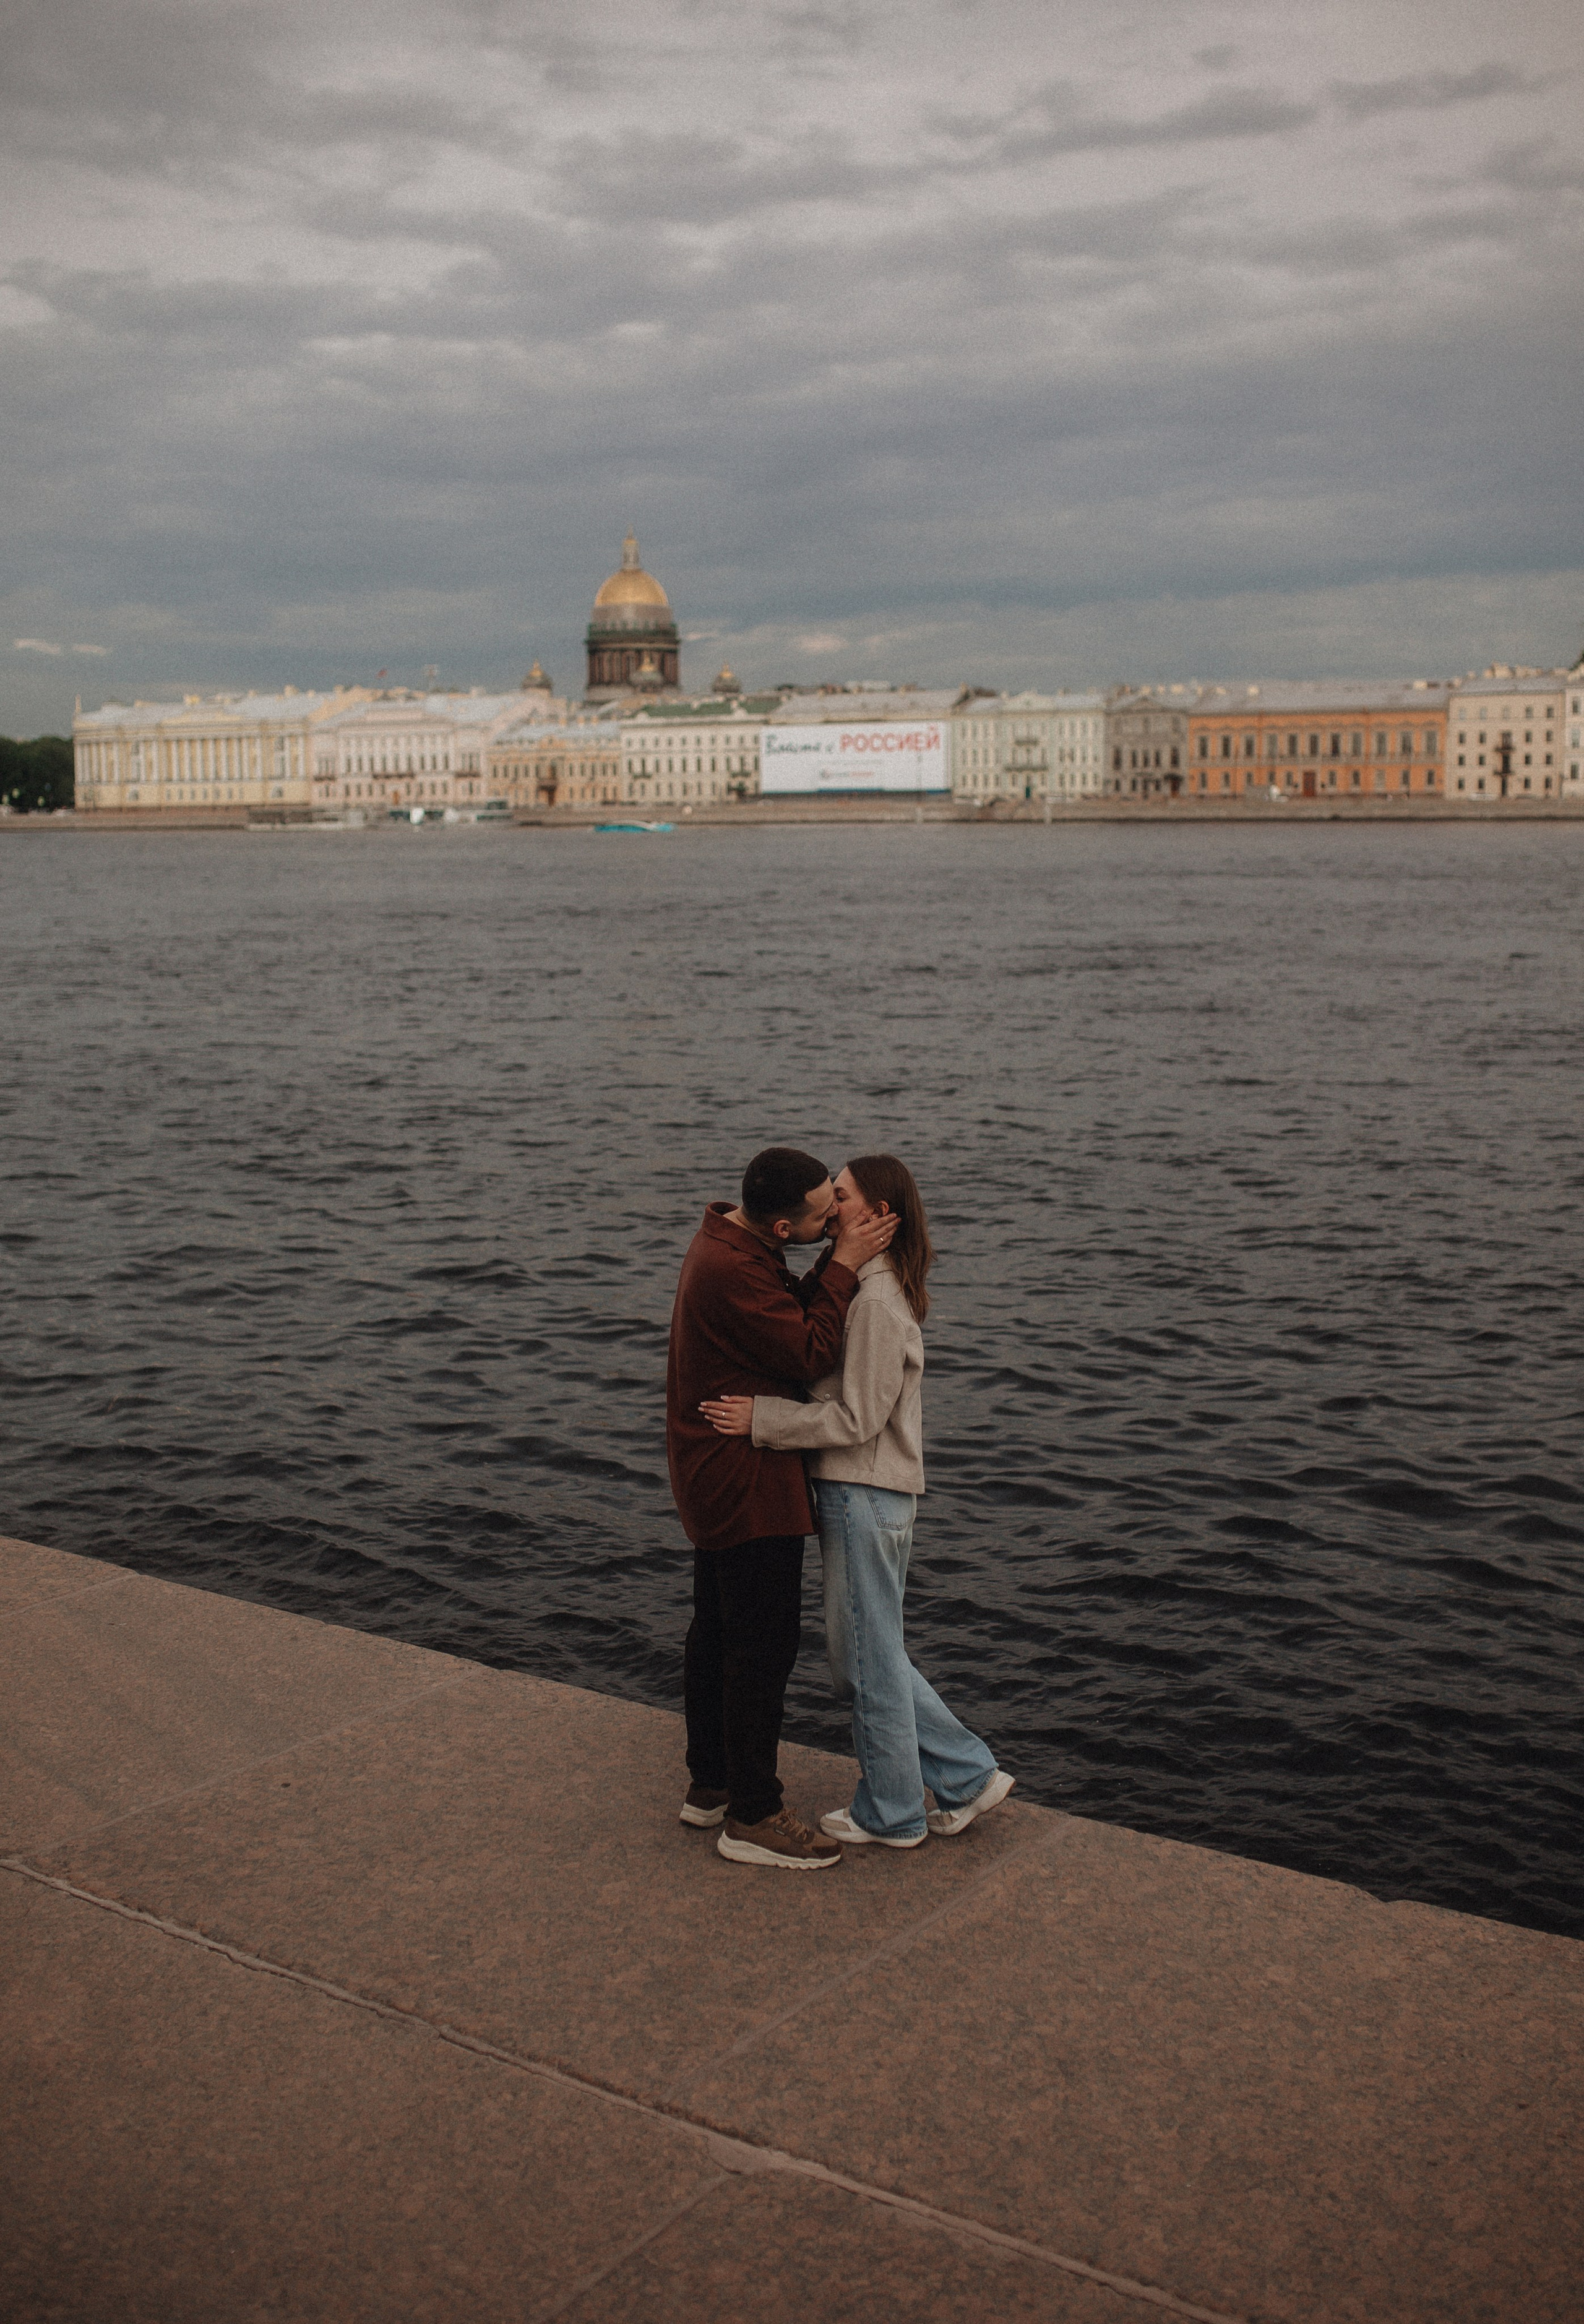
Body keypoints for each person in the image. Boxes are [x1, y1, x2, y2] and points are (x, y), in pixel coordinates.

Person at [701, 1154, 1012, 1849]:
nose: (829, 1206)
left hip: (863, 1492)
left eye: (840, 1196)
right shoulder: (870, 1285)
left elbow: (857, 1420)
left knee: (866, 1661)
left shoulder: (872, 1301)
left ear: (877, 1214)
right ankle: (957, 1779)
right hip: (867, 1493)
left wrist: (763, 1420)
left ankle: (898, 1811)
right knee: (868, 1656)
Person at [667, 1146, 898, 1870]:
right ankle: (755, 1815)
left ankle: (711, 1783)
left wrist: (827, 1264)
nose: (836, 1217)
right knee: (760, 1648)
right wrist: (844, 1267)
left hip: (712, 1470)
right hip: (744, 1480)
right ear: (779, 1229)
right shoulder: (733, 1269)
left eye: (837, 1198)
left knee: (716, 1629)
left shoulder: (729, 1243)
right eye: (824, 1214)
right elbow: (805, 1351)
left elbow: (779, 1323)